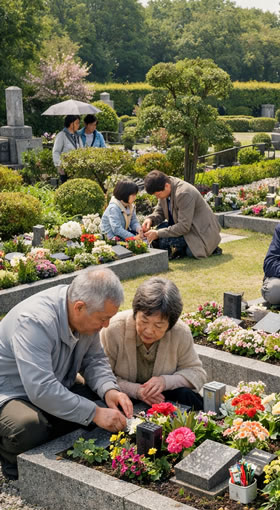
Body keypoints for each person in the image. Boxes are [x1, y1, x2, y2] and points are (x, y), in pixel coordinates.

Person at [0, 268, 133, 480]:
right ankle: (11, 459)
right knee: (28, 428)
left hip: (55, 384)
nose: (106, 325)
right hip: (11, 392)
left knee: (103, 402)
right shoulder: (34, 321)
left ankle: (54, 425)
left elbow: (94, 360)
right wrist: (95, 414)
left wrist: (109, 390)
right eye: (103, 319)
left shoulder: (85, 312)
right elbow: (41, 389)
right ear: (79, 307)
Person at [101, 278, 207, 410]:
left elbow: (197, 373)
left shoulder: (180, 332)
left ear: (170, 325)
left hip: (163, 396)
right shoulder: (114, 329)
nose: (149, 331)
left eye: (158, 325)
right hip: (123, 395)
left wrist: (165, 381)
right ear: (135, 313)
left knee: (187, 397)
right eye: (144, 321)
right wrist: (137, 391)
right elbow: (102, 376)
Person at [142, 170, 222, 259]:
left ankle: (211, 247)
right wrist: (150, 220)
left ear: (167, 186)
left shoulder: (184, 193)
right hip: (183, 226)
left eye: (158, 195)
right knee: (158, 237)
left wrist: (158, 233)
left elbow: (184, 226)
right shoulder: (165, 187)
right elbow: (160, 212)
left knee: (170, 243)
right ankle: (179, 250)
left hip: (199, 231)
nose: (157, 197)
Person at [52, 114, 83, 185]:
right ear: (71, 124)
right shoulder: (61, 135)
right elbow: (56, 152)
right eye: (77, 123)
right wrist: (59, 166)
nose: (78, 125)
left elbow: (82, 150)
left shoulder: (77, 136)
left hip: (77, 169)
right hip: (64, 169)